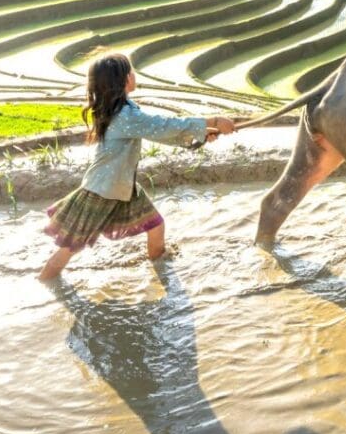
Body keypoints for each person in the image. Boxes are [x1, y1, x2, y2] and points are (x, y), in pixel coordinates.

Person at [38, 51, 237, 282]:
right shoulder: (123, 115)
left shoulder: (125, 109)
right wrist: (210, 121)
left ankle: (163, 275)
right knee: (70, 247)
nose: (134, 74)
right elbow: (162, 126)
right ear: (122, 80)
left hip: (122, 186)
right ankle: (44, 284)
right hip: (103, 190)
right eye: (130, 71)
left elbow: (157, 132)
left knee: (156, 226)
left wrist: (201, 135)